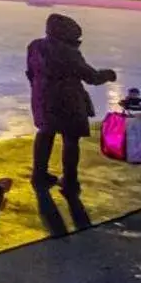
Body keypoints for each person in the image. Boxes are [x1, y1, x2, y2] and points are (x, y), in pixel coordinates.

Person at [25, 13, 116, 194]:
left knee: (45, 132)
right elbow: (91, 76)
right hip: (68, 101)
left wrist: (39, 89)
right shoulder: (68, 52)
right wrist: (108, 74)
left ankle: (39, 174)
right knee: (71, 139)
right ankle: (70, 180)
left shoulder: (35, 46)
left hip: (42, 98)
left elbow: (30, 72)